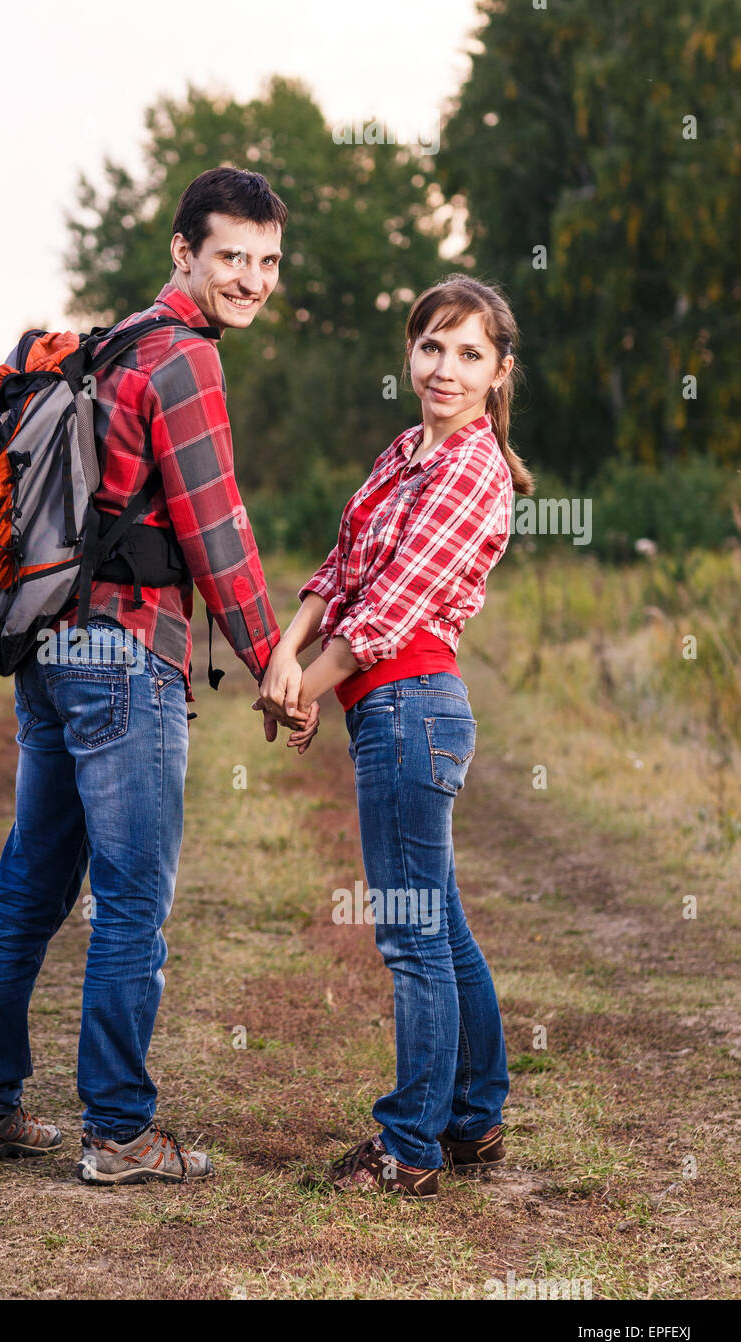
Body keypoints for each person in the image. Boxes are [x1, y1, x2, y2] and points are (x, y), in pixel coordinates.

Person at [0, 167, 313, 1184]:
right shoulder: (184, 360)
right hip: (124, 654)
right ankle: (116, 1129)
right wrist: (272, 660)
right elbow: (214, 526)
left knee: (31, 885)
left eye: (268, 261)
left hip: (51, 650)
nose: (251, 278)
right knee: (132, 899)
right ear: (182, 252)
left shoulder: (103, 348)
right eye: (232, 255)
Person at [255, 274, 534, 1199]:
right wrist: (284, 656)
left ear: (498, 374)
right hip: (384, 705)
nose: (444, 369)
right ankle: (475, 1116)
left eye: (468, 354)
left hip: (412, 704)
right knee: (441, 925)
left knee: (412, 936)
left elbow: (390, 608)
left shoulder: (470, 469)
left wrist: (301, 693)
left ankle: (409, 1147)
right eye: (430, 347)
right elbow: (340, 569)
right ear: (409, 354)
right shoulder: (404, 451)